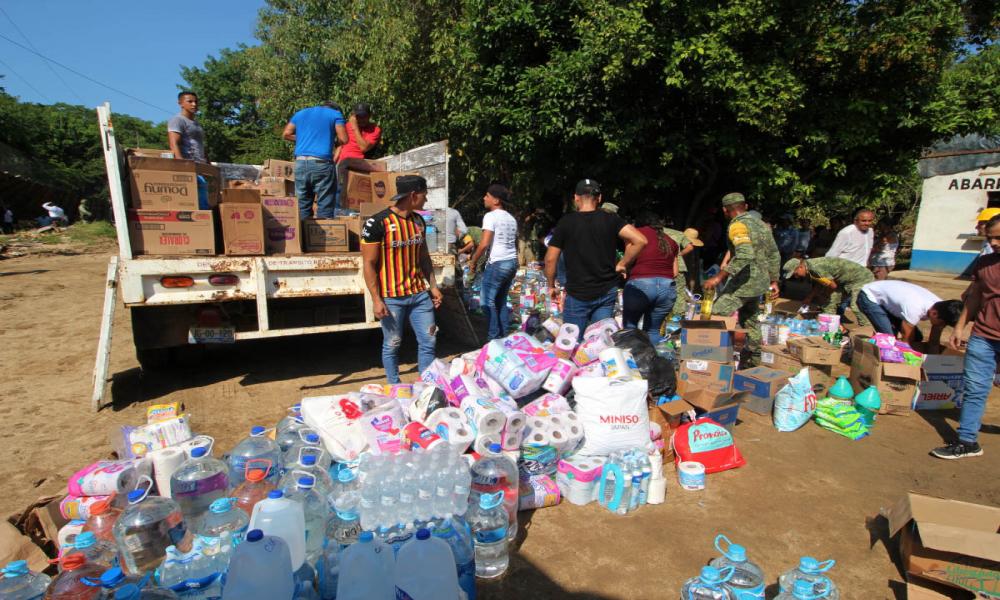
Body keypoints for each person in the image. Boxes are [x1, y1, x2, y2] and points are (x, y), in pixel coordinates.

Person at [361, 175, 443, 383]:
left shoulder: (419, 221)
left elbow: (424, 258)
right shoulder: (377, 223)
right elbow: (369, 264)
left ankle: (426, 385)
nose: (426, 200)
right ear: (413, 195)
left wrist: (432, 287)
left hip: (419, 296)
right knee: (392, 343)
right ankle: (395, 387)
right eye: (424, 195)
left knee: (429, 340)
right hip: (391, 298)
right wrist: (376, 299)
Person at [544, 179, 647, 338]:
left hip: (578, 293)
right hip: (606, 291)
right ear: (599, 198)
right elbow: (640, 240)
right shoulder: (611, 219)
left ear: (576, 198)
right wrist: (622, 263)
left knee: (571, 343)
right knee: (601, 341)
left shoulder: (566, 222)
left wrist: (551, 285)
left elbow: (550, 259)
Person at [935, 215, 1000, 459]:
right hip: (983, 335)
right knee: (975, 389)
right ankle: (968, 440)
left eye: (998, 237)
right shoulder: (984, 264)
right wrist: (960, 327)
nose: (994, 242)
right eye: (990, 237)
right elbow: (975, 298)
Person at [703, 193, 780, 365]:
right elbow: (774, 253)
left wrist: (718, 277)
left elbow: (745, 254)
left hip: (744, 283)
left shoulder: (737, 225)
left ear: (724, 210)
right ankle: (755, 359)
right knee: (751, 320)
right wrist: (774, 280)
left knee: (716, 314)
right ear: (745, 206)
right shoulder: (762, 225)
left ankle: (713, 358)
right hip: (760, 283)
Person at [282, 102, 349, 220]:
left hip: (300, 163)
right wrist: (333, 141)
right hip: (321, 163)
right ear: (335, 109)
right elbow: (344, 139)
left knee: (303, 205)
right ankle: (320, 237)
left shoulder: (300, 113)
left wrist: (303, 137)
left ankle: (303, 236)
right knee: (325, 204)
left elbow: (286, 134)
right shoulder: (335, 114)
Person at [468, 184, 518, 340]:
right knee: (500, 302)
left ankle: (493, 339)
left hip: (498, 263)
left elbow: (484, 244)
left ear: (496, 200)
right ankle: (504, 338)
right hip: (512, 262)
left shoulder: (490, 216)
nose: (484, 198)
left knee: (486, 302)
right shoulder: (511, 218)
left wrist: (473, 261)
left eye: (487, 196)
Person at [623, 212, 679, 344]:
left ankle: (630, 361)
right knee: (653, 331)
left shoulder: (635, 234)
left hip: (641, 285)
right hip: (667, 288)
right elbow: (675, 272)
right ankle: (652, 362)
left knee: (630, 329)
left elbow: (628, 259)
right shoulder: (671, 241)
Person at [856, 280, 961, 347]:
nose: (941, 326)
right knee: (889, 339)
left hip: (890, 300)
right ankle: (872, 353)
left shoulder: (942, 308)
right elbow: (906, 343)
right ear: (934, 314)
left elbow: (934, 341)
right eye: (942, 323)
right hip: (870, 296)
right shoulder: (915, 308)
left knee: (917, 338)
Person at [783, 256, 873, 326]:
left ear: (800, 267)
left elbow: (832, 286)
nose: (796, 277)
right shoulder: (810, 268)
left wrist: (825, 295)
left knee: (856, 305)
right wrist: (809, 297)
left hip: (860, 278)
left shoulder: (815, 269)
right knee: (829, 304)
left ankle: (867, 328)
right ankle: (828, 328)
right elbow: (821, 283)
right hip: (843, 280)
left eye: (795, 274)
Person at [335, 103, 382, 206]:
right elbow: (339, 145)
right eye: (358, 116)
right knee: (339, 195)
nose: (361, 119)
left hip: (360, 167)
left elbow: (363, 147)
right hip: (342, 166)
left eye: (364, 116)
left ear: (369, 116)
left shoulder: (375, 130)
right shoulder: (345, 126)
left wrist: (355, 127)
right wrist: (333, 162)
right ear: (354, 116)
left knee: (357, 198)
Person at [662, 224, 703, 317]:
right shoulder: (680, 237)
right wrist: (678, 256)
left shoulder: (663, 234)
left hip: (660, 267)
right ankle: (678, 317)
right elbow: (690, 247)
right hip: (678, 268)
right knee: (679, 293)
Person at [167, 91, 208, 163]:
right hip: (189, 164)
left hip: (201, 165)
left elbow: (200, 145)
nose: (194, 104)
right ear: (180, 103)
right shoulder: (178, 120)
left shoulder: (196, 123)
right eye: (190, 101)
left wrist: (208, 164)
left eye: (196, 102)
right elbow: (173, 144)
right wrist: (182, 164)